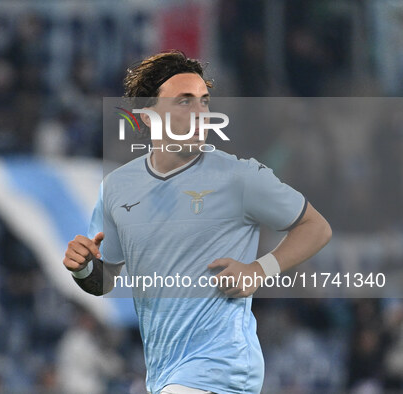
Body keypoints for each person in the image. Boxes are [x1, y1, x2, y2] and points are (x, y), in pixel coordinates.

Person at [63, 50, 332, 394]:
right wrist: (84, 268)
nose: (201, 113)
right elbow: (107, 280)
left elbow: (316, 226)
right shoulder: (117, 188)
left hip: (222, 367)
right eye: (184, 102)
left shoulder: (238, 177)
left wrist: (259, 270)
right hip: (165, 375)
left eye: (204, 102)